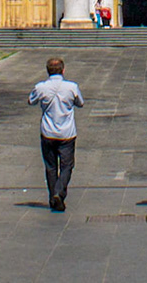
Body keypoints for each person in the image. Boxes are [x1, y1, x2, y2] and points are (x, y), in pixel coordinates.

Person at [29, 57, 83, 211]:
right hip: (67, 133)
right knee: (67, 166)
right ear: (63, 70)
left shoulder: (41, 87)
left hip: (48, 132)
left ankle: (53, 196)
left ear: (47, 71)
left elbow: (31, 101)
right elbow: (80, 103)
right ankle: (59, 193)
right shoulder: (71, 87)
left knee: (51, 167)